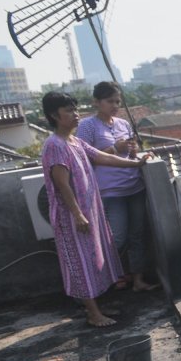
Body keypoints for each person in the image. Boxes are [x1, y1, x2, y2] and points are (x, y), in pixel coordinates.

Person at [40, 91, 151, 327]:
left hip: (89, 212)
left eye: (75, 109)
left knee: (95, 259)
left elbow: (102, 157)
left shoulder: (74, 141)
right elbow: (61, 183)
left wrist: (135, 162)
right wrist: (78, 214)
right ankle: (93, 314)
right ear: (54, 115)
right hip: (72, 216)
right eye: (68, 110)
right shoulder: (54, 145)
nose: (75, 114)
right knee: (81, 263)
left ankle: (97, 305)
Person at [76, 81, 158, 291]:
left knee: (137, 235)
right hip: (110, 190)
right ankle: (103, 280)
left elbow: (130, 155)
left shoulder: (123, 124)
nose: (115, 105)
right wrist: (114, 148)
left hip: (134, 186)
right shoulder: (88, 125)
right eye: (110, 101)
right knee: (117, 237)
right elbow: (85, 158)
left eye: (117, 101)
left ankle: (138, 280)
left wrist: (135, 151)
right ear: (96, 102)